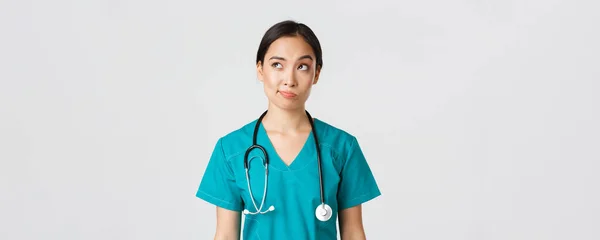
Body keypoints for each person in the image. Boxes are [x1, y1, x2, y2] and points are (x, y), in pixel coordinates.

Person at [195, 20, 381, 240]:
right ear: (260, 69)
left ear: (317, 74)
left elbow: (353, 233)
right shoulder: (231, 149)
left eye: (302, 67)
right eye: (277, 65)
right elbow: (226, 235)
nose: (289, 80)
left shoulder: (342, 147)